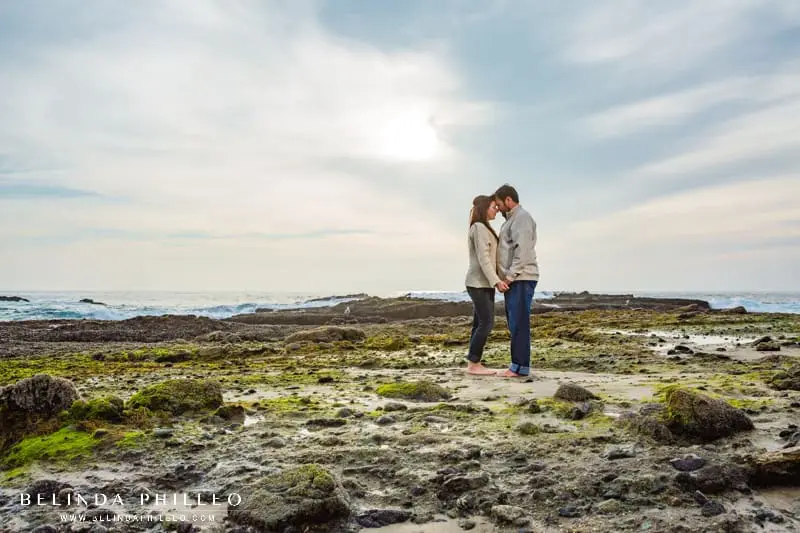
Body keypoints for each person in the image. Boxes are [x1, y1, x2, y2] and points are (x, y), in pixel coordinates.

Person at [494, 184, 539, 378]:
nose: (498, 208)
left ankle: (520, 368)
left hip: (521, 279)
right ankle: (518, 366)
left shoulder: (521, 219)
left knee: (519, 323)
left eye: (499, 204)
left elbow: (523, 252)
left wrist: (509, 278)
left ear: (508, 200)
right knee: (515, 323)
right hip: (515, 279)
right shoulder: (511, 220)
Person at [464, 195, 509, 375]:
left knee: (479, 323)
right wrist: (496, 281)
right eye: (493, 207)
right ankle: (474, 364)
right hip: (478, 283)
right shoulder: (479, 228)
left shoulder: (483, 228)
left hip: (482, 284)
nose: (496, 210)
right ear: (484, 209)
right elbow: (484, 259)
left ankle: (474, 363)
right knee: (487, 323)